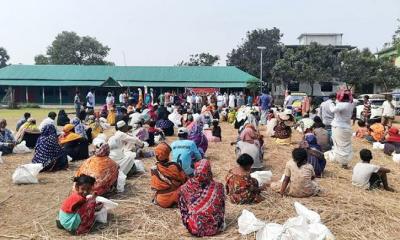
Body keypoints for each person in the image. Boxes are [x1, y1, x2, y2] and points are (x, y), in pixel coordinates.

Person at [178, 159, 225, 237]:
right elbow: (221, 208)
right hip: (215, 227)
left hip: (195, 228)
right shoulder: (219, 187)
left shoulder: (185, 187)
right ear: (209, 171)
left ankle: (190, 222)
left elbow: (183, 210)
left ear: (195, 171)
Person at [324, 89, 355, 169]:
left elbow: (333, 110)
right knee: (344, 145)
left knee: (339, 145)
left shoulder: (342, 105)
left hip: (339, 127)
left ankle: (342, 161)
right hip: (346, 127)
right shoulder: (350, 104)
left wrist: (331, 103)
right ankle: (344, 161)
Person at [150, 143, 187, 208]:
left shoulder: (154, 169)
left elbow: (154, 187)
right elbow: (185, 180)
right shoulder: (175, 166)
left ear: (156, 155)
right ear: (168, 154)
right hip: (176, 197)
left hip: (161, 200)